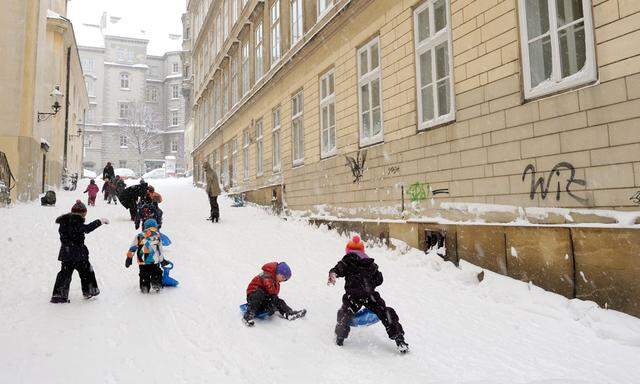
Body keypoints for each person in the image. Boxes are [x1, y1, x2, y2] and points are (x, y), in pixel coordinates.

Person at [328, 236, 409, 354]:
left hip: (354, 295)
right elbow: (379, 279)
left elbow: (338, 269)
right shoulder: (370, 263)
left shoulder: (348, 260)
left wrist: (333, 274)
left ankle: (340, 338)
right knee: (385, 311)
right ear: (362, 251)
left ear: (348, 250)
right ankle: (399, 339)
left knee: (345, 312)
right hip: (370, 295)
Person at [50, 200, 109, 303]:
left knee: (65, 273)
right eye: (85, 213)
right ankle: (89, 291)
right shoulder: (76, 222)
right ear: (82, 213)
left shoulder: (64, 222)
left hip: (66, 253)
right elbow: (87, 228)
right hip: (78, 253)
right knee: (87, 272)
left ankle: (59, 294)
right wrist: (100, 221)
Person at [243, 262, 306, 327]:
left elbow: (274, 295)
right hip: (253, 295)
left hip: (263, 300)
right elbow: (270, 288)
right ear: (278, 273)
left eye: (285, 279)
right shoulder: (267, 275)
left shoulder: (276, 282)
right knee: (259, 293)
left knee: (278, 301)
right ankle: (248, 315)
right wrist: (273, 297)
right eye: (283, 277)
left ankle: (289, 313)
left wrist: (275, 303)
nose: (283, 280)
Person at [125, 218, 166, 293]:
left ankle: (144, 286)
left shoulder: (139, 236)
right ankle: (156, 283)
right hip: (154, 260)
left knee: (144, 274)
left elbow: (133, 247)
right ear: (155, 226)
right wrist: (162, 260)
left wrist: (129, 257)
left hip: (142, 261)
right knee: (156, 272)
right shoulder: (157, 236)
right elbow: (160, 250)